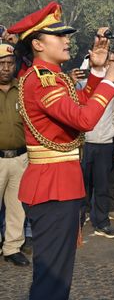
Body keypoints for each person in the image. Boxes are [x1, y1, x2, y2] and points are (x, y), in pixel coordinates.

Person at [9, 1, 114, 300]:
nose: (66, 39)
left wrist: (97, 72)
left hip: (57, 182)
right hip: (54, 186)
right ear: (37, 43)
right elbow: (83, 119)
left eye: (66, 35)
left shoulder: (51, 77)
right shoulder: (43, 80)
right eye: (58, 36)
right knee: (53, 279)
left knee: (56, 273)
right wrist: (110, 82)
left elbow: (78, 106)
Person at [80, 45, 114, 239]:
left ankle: (102, 222)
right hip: (85, 143)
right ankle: (78, 222)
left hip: (106, 142)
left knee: (102, 186)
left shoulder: (112, 86)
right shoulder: (82, 84)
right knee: (82, 186)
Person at [0, 44, 30, 266]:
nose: (5, 68)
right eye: (1, 63)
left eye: (10, 63)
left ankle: (12, 247)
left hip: (20, 158)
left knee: (16, 206)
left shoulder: (23, 88)